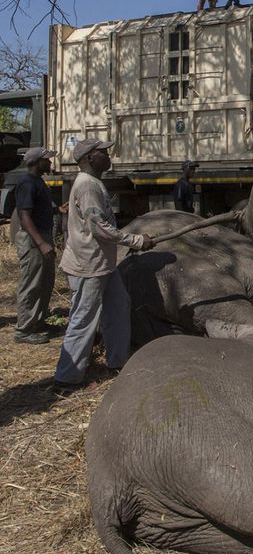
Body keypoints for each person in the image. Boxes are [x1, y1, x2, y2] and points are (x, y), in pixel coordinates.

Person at [54, 139, 155, 394]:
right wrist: (137, 240)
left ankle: (117, 361)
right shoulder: (87, 186)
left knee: (119, 305)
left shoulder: (93, 183)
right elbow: (100, 228)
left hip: (102, 264)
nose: (108, 155)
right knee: (84, 318)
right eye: (103, 152)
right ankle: (67, 378)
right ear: (89, 158)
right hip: (89, 265)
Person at [13, 147, 63, 344]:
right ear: (35, 162)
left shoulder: (37, 181)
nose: (50, 163)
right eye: (46, 160)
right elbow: (24, 217)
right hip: (33, 240)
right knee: (31, 284)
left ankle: (38, 322)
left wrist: (58, 209)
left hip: (41, 238)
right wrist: (42, 243)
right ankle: (24, 330)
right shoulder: (26, 183)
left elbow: (39, 209)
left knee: (44, 282)